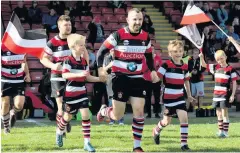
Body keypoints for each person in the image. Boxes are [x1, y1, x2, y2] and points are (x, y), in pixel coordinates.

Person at [96, 8, 158, 152]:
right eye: (134, 19)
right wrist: (100, 69)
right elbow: (101, 52)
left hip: (138, 77)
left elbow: (148, 56)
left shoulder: (145, 37)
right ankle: (105, 111)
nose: (137, 22)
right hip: (119, 77)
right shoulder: (118, 35)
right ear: (128, 20)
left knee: (139, 111)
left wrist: (153, 70)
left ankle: (137, 146)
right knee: (117, 116)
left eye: (140, 19)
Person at [40, 15, 89, 139]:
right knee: (60, 106)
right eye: (65, 25)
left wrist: (87, 68)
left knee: (71, 109)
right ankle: (60, 132)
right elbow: (43, 59)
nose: (68, 27)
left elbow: (85, 54)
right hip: (58, 77)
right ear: (59, 26)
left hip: (73, 77)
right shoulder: (52, 42)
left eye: (70, 25)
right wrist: (53, 65)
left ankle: (64, 122)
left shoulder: (75, 39)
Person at [56, 34, 100, 152]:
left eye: (84, 45)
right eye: (81, 45)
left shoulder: (84, 62)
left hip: (82, 93)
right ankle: (59, 132)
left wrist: (99, 79)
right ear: (73, 47)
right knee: (67, 117)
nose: (83, 47)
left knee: (86, 115)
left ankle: (87, 143)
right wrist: (78, 75)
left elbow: (87, 77)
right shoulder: (67, 60)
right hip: (70, 95)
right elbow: (65, 75)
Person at [152, 40, 195, 151]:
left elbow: (186, 81)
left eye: (180, 51)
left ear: (183, 52)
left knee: (184, 118)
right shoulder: (166, 65)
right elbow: (157, 77)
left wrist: (189, 95)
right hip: (168, 98)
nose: (178, 53)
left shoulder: (185, 67)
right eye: (175, 51)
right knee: (166, 122)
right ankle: (156, 130)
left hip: (180, 97)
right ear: (170, 53)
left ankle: (183, 144)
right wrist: (151, 75)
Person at [199, 50, 237, 138]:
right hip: (216, 94)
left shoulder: (230, 69)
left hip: (225, 94)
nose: (220, 60)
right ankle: (220, 131)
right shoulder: (215, 67)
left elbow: (235, 83)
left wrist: (232, 95)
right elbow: (204, 65)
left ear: (225, 57)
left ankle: (225, 132)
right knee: (218, 113)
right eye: (218, 59)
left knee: (224, 113)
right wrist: (201, 57)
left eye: (221, 58)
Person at [1, 44, 31, 134]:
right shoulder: (2, 48)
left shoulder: (21, 47)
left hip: (18, 80)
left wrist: (27, 74)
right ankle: (6, 127)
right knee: (5, 104)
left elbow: (24, 62)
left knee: (19, 105)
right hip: (4, 80)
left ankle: (12, 112)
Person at [103, 49, 124, 125]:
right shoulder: (107, 58)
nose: (113, 52)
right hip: (110, 78)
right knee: (111, 99)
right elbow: (103, 70)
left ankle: (121, 120)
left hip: (120, 78)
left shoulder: (121, 57)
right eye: (112, 50)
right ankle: (112, 119)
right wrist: (110, 65)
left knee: (120, 98)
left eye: (115, 50)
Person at [143, 46, 162, 118]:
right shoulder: (144, 58)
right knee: (147, 97)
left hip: (156, 80)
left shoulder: (158, 58)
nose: (151, 50)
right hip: (147, 80)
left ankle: (157, 113)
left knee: (157, 97)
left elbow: (160, 68)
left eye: (153, 49)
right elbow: (144, 68)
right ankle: (148, 114)